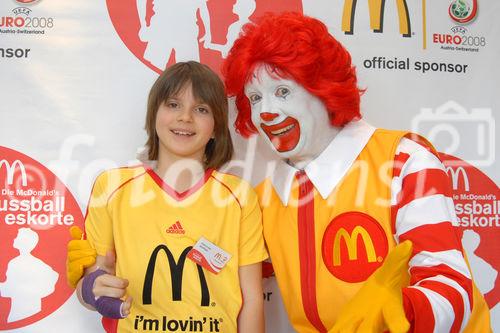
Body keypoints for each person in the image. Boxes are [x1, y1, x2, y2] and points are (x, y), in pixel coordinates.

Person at [222, 12, 491, 333]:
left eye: (282, 91)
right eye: (255, 97)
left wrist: (406, 310)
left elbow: (453, 285)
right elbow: (234, 269)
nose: (265, 111)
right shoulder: (266, 198)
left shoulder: (404, 161)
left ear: (322, 87)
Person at [70, 61, 268, 333]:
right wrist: (93, 288)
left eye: (201, 109)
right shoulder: (112, 187)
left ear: (216, 126)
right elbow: (89, 288)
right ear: (154, 114)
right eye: (173, 104)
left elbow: (253, 299)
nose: (185, 117)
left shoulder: (238, 196)